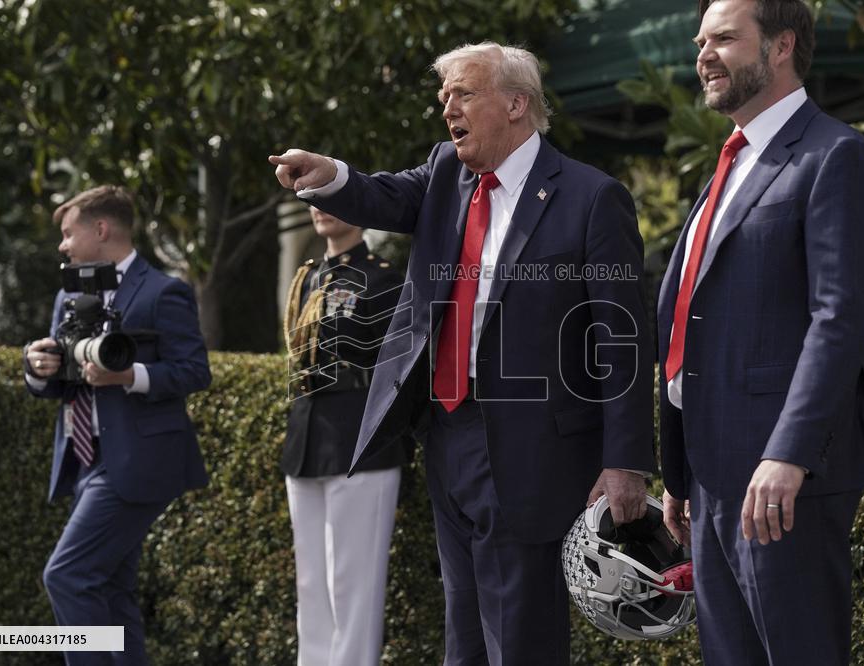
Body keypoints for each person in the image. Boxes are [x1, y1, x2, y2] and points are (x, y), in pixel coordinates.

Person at [270, 42, 654, 665]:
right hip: (446, 432)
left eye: (463, 94)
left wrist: (625, 462)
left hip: (534, 449)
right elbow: (381, 195)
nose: (447, 106)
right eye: (444, 95)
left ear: (515, 104)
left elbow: (620, 337)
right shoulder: (446, 172)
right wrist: (329, 176)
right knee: (465, 634)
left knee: (521, 637)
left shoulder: (591, 197)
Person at [657, 1, 864, 664]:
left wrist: (787, 453)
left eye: (726, 39)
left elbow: (839, 317)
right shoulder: (730, 166)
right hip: (711, 476)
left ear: (782, 45)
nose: (703, 54)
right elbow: (693, 319)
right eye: (701, 40)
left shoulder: (835, 156)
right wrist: (678, 470)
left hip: (782, 476)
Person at [23, 185, 211, 666]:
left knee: (66, 575)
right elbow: (63, 384)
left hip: (139, 461)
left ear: (101, 229)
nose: (62, 245)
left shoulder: (163, 290)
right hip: (86, 464)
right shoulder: (69, 294)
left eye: (69, 233)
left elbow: (194, 371)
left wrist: (129, 375)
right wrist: (38, 368)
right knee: (111, 586)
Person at [281, 206, 409, 665]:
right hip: (308, 440)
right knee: (312, 582)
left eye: (332, 199)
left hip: (361, 441)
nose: (319, 209)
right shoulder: (309, 278)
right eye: (314, 200)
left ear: (359, 209)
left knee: (353, 585)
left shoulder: (383, 280)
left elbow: (401, 373)